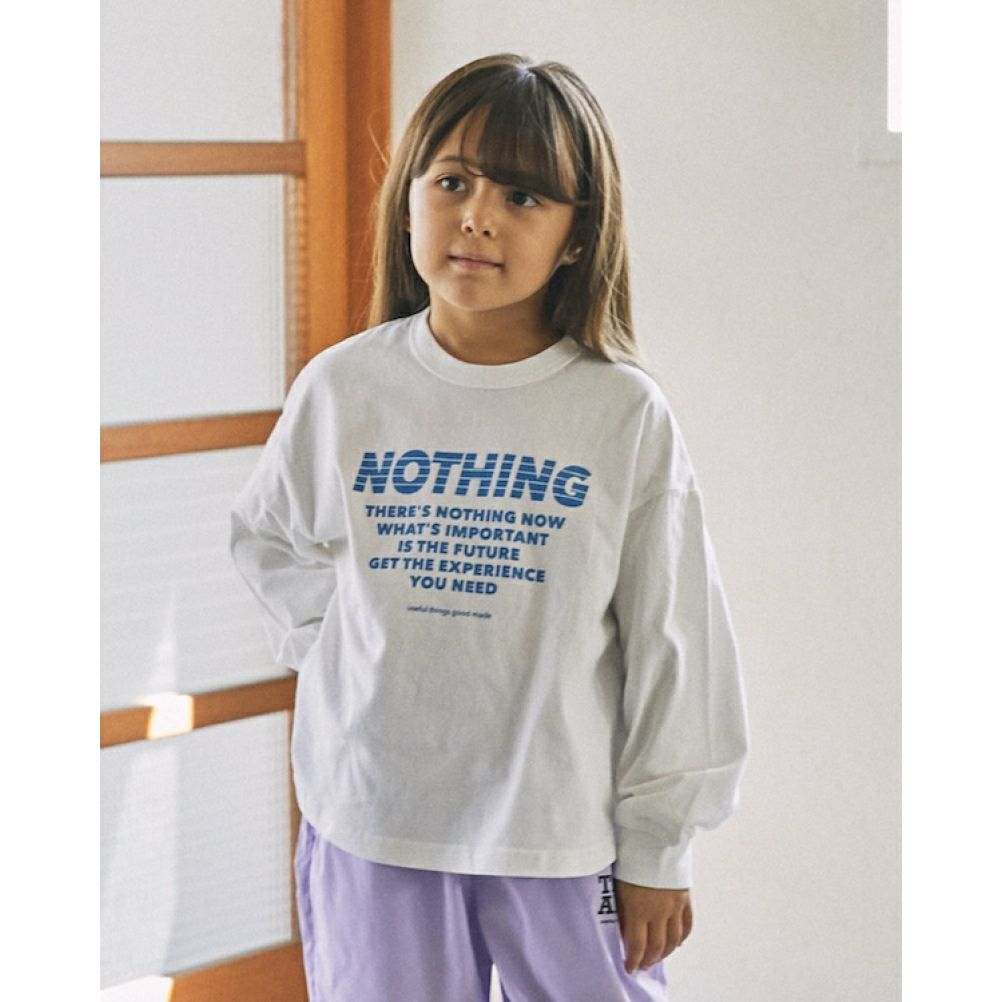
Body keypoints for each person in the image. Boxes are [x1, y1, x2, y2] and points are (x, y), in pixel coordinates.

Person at [230, 52, 750, 1002]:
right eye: (453, 182)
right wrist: (342, 649)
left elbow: (677, 644)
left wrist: (660, 846)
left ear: (578, 235)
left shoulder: (619, 413)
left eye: (522, 196)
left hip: (561, 834)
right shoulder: (345, 388)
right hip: (375, 822)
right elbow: (269, 540)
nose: (477, 216)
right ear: (409, 200)